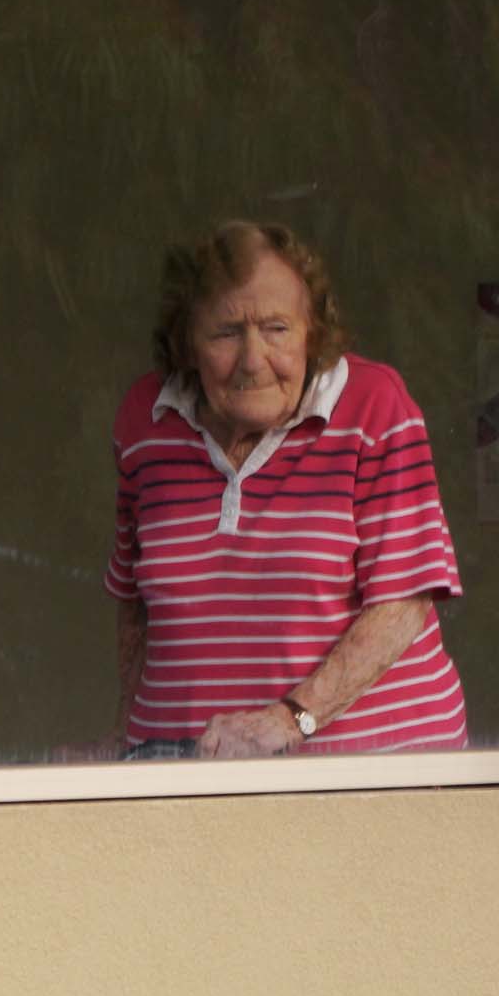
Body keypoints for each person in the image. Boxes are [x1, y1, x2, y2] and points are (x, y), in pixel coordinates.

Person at [112, 220, 469, 757]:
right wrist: (126, 740)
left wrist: (292, 718)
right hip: (189, 774)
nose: (253, 360)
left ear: (312, 334)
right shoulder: (145, 420)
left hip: (374, 779)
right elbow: (136, 604)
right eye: (226, 333)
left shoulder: (373, 407)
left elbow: (402, 601)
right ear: (187, 342)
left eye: (276, 329)